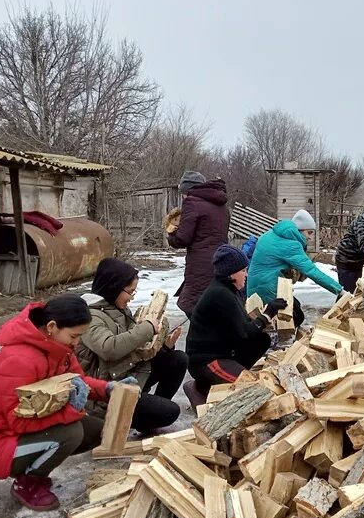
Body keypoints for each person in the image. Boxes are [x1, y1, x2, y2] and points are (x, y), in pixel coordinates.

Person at [0, 294, 134, 511]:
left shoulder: (59, 348)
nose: (77, 343)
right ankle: (26, 483)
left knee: (95, 430)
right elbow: (19, 422)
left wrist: (108, 389)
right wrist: (72, 411)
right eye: (74, 336)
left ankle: (35, 466)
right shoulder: (17, 360)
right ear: (52, 326)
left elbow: (77, 381)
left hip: (18, 433)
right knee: (71, 433)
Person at [75, 258, 187, 434]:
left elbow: (134, 350)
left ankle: (147, 418)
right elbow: (109, 348)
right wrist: (147, 328)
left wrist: (164, 347)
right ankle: (134, 417)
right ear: (113, 288)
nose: (132, 297)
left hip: (129, 376)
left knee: (177, 359)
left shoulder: (118, 309)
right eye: (130, 292)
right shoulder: (89, 317)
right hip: (107, 393)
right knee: (170, 412)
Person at [183, 245, 287, 407]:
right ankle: (200, 388)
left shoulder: (229, 290)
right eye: (243, 270)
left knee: (261, 339)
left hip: (224, 352)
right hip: (206, 361)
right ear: (231, 273)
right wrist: (268, 314)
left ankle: (206, 385)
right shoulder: (220, 294)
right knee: (252, 389)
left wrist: (268, 316)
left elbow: (246, 328)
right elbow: (245, 332)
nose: (246, 274)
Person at [247, 209, 342, 328]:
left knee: (294, 312)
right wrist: (340, 290)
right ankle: (281, 344)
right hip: (268, 289)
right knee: (293, 318)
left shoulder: (270, 234)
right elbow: (312, 271)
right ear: (300, 231)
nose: (310, 238)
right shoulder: (291, 244)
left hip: (254, 288)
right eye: (309, 233)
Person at [168, 171, 229, 318]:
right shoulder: (222, 204)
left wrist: (171, 234)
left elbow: (183, 238)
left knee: (195, 307)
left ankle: (202, 339)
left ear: (187, 190)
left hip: (200, 264)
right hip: (221, 261)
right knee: (213, 305)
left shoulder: (192, 202)